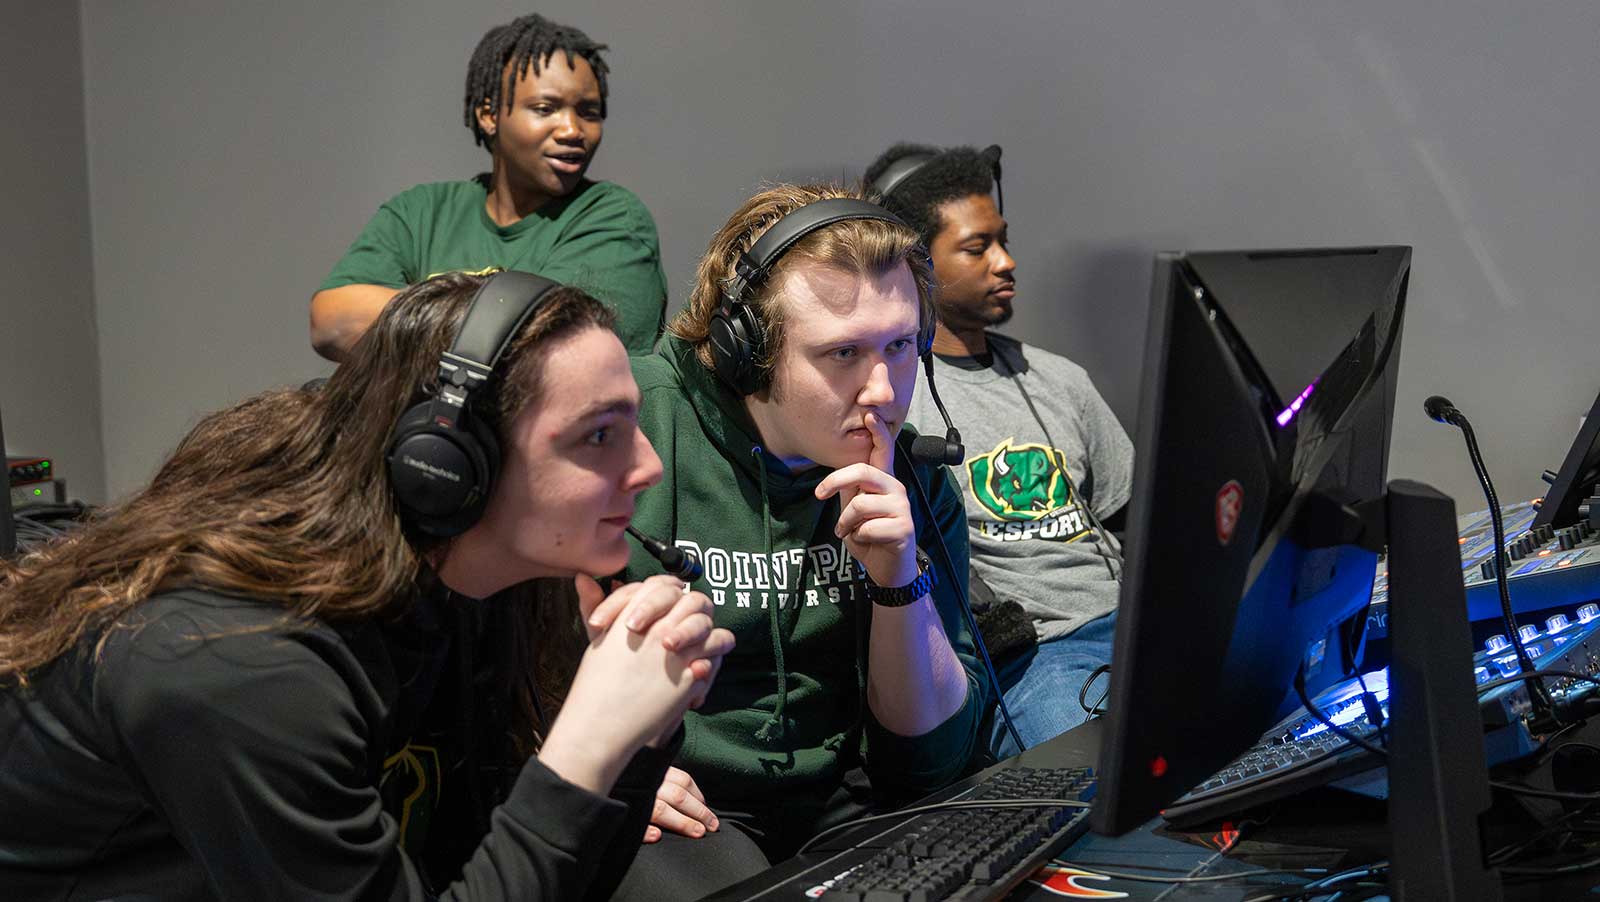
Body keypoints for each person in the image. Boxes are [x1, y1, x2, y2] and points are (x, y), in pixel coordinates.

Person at [0, 271, 733, 900]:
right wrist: (581, 754)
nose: (648, 467)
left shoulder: (486, 585)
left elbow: (522, 877)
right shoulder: (235, 664)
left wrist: (634, 740)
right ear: (447, 466)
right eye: (598, 435)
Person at [609, 183, 987, 900]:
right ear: (745, 348)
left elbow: (930, 760)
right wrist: (584, 759)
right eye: (842, 352)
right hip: (684, 799)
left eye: (901, 345)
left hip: (849, 800)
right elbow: (493, 629)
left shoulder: (913, 476)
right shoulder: (631, 426)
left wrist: (897, 581)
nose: (881, 389)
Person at [865, 143, 1135, 759]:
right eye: (977, 246)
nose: (1006, 262)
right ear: (918, 264)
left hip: (1134, 632)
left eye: (1003, 240)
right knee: (1093, 786)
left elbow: (1132, 517)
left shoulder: (1062, 379)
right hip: (1038, 659)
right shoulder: (899, 398)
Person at [310, 13, 667, 361]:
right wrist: (493, 314)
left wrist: (409, 316)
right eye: (546, 108)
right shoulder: (420, 212)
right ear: (490, 114)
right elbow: (331, 321)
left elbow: (551, 348)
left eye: (589, 112)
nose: (572, 130)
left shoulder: (614, 217)